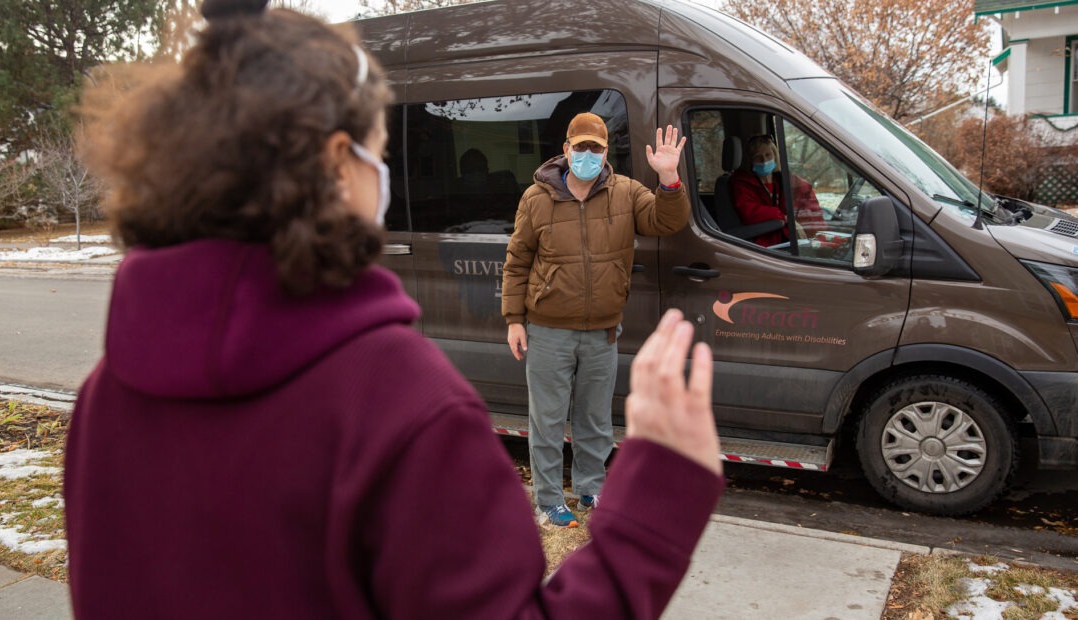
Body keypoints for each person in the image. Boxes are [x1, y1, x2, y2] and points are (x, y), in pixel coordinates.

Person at [64, 0, 724, 618]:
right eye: (376, 150)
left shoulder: (104, 400)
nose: (380, 174)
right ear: (334, 163)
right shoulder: (400, 405)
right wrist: (655, 508)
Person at [502, 112, 691, 528]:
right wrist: (515, 319)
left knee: (594, 420)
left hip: (602, 330)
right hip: (548, 330)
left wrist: (670, 179)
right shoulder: (536, 198)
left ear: (606, 153)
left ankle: (591, 488)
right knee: (547, 421)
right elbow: (517, 262)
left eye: (596, 148)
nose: (587, 154)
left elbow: (666, 220)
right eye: (580, 147)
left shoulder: (625, 193)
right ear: (566, 150)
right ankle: (550, 500)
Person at [729, 133, 826, 247]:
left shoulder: (784, 179)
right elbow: (750, 213)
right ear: (751, 160)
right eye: (758, 157)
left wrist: (820, 236)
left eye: (768, 155)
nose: (764, 161)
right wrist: (784, 217)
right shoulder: (741, 183)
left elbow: (809, 205)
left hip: (789, 238)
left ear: (775, 156)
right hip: (764, 242)